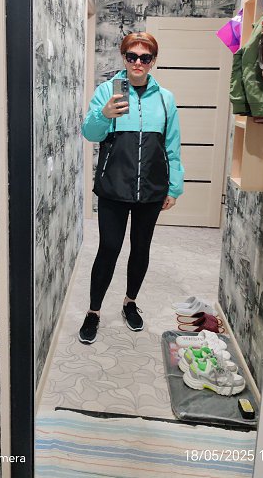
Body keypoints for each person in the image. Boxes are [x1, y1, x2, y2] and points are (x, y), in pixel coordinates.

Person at [79, 32, 184, 344]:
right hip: (114, 186)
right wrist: (104, 114)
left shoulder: (165, 99)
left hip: (151, 188)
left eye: (145, 57)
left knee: (141, 248)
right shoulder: (106, 91)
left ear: (153, 61)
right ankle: (93, 311)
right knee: (109, 248)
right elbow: (90, 133)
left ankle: (130, 302)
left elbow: (172, 146)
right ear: (124, 58)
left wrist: (174, 187)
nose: (138, 62)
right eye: (132, 56)